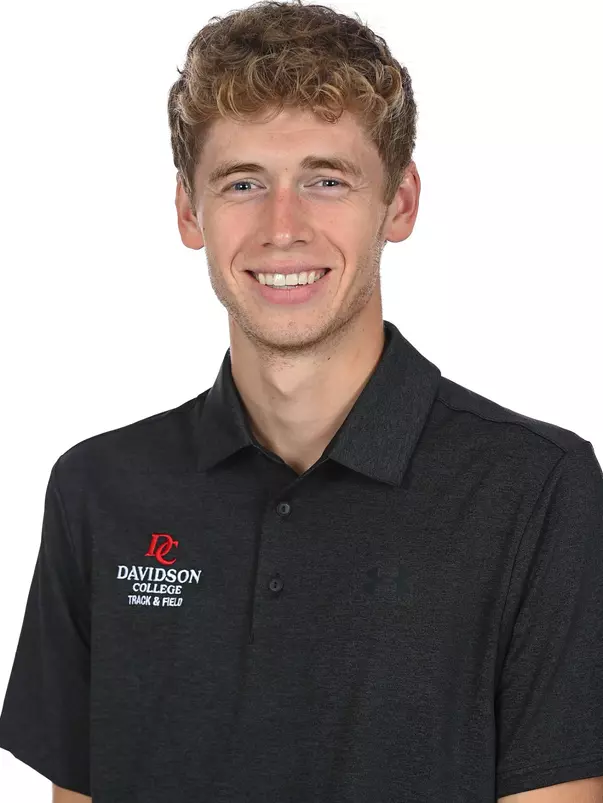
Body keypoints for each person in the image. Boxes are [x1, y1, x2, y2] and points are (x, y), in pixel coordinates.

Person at [1, 1, 603, 801]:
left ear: (399, 202)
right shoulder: (97, 488)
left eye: (326, 179)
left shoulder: (538, 489)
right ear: (189, 210)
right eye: (243, 181)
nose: (282, 227)